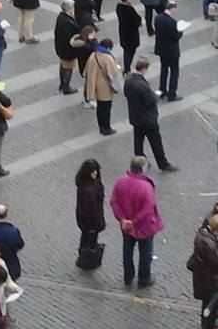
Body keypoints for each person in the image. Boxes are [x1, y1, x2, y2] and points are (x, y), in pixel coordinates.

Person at [110, 155, 165, 288]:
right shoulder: (146, 187)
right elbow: (148, 208)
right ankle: (144, 278)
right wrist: (134, 221)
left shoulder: (120, 182)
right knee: (145, 252)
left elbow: (114, 201)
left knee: (127, 250)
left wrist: (123, 219)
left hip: (126, 225)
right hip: (143, 226)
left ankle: (128, 276)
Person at [124, 58, 178, 171]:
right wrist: (155, 96)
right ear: (144, 69)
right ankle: (163, 164)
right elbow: (150, 101)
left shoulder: (128, 80)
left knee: (138, 142)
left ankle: (139, 163)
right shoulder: (143, 86)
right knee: (156, 143)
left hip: (135, 117)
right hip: (148, 119)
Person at [189, 214, 218, 328]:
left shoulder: (205, 236)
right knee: (209, 304)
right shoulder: (208, 242)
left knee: (210, 304)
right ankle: (207, 326)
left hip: (207, 277)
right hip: (209, 279)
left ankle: (209, 324)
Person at [84, 37, 121, 134]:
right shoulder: (107, 57)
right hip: (104, 86)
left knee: (100, 107)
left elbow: (86, 70)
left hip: (95, 84)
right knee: (106, 108)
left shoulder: (93, 55)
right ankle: (106, 127)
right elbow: (112, 73)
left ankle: (101, 126)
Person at [75, 158, 107, 270]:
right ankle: (87, 261)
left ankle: (83, 257)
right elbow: (91, 209)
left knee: (85, 238)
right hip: (91, 222)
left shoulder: (83, 182)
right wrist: (93, 224)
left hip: (84, 219)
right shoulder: (91, 189)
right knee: (90, 241)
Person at [116, 0, 142, 75]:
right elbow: (137, 20)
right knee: (130, 51)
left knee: (126, 51)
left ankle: (127, 68)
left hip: (123, 33)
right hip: (131, 34)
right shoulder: (129, 9)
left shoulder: (119, 7)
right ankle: (127, 68)